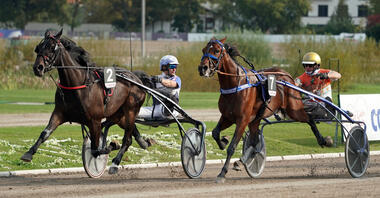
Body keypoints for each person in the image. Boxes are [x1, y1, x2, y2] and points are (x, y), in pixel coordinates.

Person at [295, 52, 342, 119]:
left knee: (320, 106)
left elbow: (338, 75)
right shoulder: (302, 77)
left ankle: (325, 112)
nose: (307, 68)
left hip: (324, 102)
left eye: (310, 66)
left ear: (317, 65)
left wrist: (326, 75)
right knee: (297, 105)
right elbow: (295, 84)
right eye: (305, 65)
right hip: (310, 103)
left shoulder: (323, 72)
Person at [138, 55, 182, 120]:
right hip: (156, 109)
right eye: (172, 66)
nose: (174, 69)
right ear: (164, 67)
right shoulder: (156, 78)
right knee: (133, 111)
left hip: (170, 109)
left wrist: (160, 80)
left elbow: (170, 83)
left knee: (134, 112)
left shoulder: (177, 79)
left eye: (175, 66)